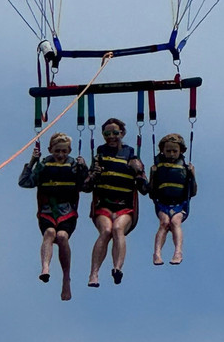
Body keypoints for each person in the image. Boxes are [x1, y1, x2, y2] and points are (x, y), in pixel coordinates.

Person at [18, 132, 88, 300]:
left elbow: (85, 186)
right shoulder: (43, 166)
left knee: (62, 236)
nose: (60, 155)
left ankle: (66, 278)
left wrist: (84, 167)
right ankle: (45, 268)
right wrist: (33, 161)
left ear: (69, 150)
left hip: (67, 212)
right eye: (57, 151)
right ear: (50, 150)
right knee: (49, 233)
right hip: (47, 211)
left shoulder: (73, 166)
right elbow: (25, 182)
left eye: (64, 151)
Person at [84, 117, 146, 286]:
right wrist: (92, 174)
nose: (111, 136)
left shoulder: (132, 155)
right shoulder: (99, 155)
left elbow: (145, 189)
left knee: (118, 229)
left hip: (124, 207)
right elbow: (87, 186)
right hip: (103, 205)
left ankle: (117, 268)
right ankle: (93, 274)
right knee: (106, 231)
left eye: (115, 133)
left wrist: (139, 172)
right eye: (107, 133)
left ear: (122, 133)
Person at [148, 133, 197, 265]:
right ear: (162, 151)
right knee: (164, 222)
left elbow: (192, 192)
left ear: (180, 151)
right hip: (162, 203)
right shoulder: (158, 167)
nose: (171, 154)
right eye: (168, 151)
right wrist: (152, 175)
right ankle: (157, 253)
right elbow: (151, 192)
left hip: (180, 204)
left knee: (175, 222)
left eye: (174, 151)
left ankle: (178, 252)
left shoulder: (185, 168)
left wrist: (192, 175)